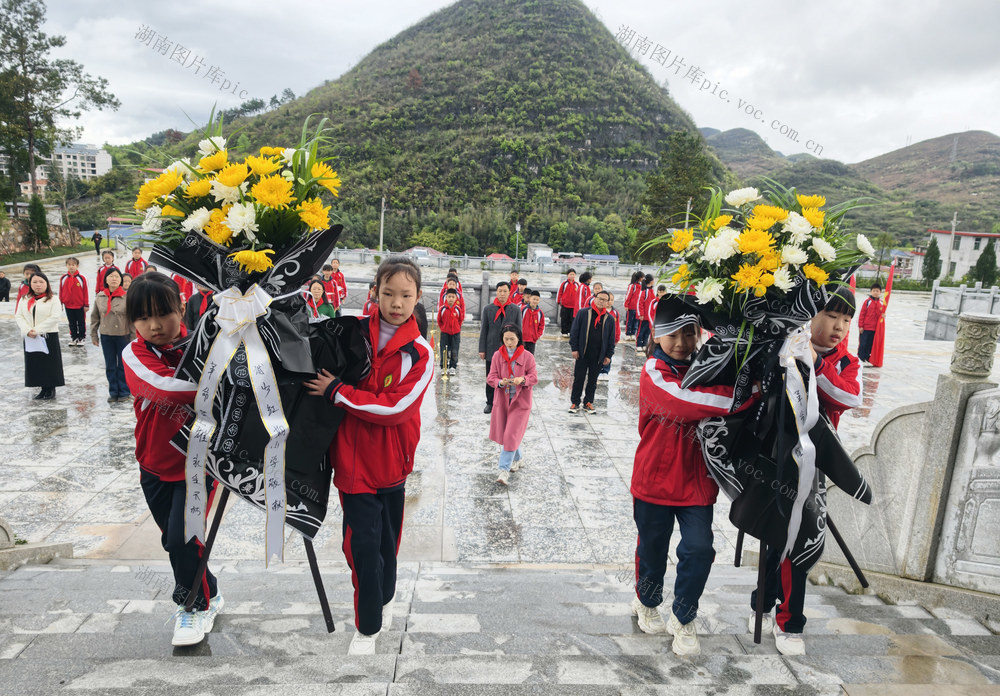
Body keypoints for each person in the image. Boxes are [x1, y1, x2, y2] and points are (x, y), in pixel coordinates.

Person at [304, 256, 434, 656]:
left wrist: (339, 393)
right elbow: (307, 343)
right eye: (389, 293)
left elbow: (395, 408)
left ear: (418, 297)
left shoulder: (420, 353)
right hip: (351, 463)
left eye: (406, 295)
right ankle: (368, 628)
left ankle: (385, 596)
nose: (396, 303)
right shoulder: (353, 332)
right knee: (360, 545)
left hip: (392, 463)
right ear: (374, 291)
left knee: (386, 543)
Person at [630, 296, 755, 656]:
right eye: (674, 335)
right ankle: (646, 600)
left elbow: (731, 346)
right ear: (657, 334)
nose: (682, 343)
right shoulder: (653, 372)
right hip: (654, 480)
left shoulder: (709, 367)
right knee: (652, 550)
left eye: (690, 333)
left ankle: (684, 618)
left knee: (699, 549)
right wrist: (742, 398)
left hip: (697, 483)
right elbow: (684, 402)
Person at [749, 286, 862, 656]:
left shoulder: (847, 362)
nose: (839, 326)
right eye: (831, 316)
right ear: (810, 314)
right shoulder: (782, 349)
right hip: (774, 460)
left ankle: (790, 622)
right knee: (775, 536)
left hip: (813, 467)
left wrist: (814, 364)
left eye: (847, 320)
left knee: (802, 541)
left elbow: (849, 396)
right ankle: (763, 601)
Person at [122, 272, 223, 647]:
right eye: (143, 317)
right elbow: (163, 385)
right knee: (175, 540)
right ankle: (209, 590)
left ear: (182, 307)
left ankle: (192, 607)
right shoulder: (134, 354)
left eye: (163, 313)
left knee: (184, 538)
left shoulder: (204, 347)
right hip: (153, 465)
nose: (154, 325)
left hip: (198, 463)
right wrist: (214, 386)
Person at [487, 324, 538, 485]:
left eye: (512, 339)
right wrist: (501, 382)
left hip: (520, 402)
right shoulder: (497, 355)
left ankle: (503, 471)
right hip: (502, 400)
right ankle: (519, 458)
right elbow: (491, 377)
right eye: (506, 339)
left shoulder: (527, 356)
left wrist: (522, 380)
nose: (509, 342)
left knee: (510, 435)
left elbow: (534, 377)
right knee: (506, 435)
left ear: (518, 339)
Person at [15, 271, 65, 400]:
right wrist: (27, 330)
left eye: (41, 282)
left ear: (47, 284)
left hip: (47, 335)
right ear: (30, 284)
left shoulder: (53, 299)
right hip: (30, 336)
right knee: (35, 362)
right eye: (35, 282)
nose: (38, 285)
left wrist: (37, 330)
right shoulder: (25, 299)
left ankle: (50, 388)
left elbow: (55, 317)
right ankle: (42, 388)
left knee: (49, 363)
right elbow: (19, 316)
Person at [568, 290, 615, 414]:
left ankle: (588, 402)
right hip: (583, 353)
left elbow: (611, 339)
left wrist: (608, 355)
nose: (601, 301)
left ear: (608, 303)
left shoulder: (610, 319)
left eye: (605, 300)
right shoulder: (583, 313)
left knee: (593, 380)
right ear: (594, 298)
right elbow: (574, 332)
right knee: (579, 378)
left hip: (598, 355)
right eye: (600, 298)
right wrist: (574, 348)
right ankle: (575, 402)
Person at [91, 268, 133, 402]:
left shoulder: (127, 296)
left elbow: (133, 319)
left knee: (122, 365)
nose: (114, 279)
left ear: (121, 280)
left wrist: (134, 338)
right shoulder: (100, 296)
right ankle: (113, 392)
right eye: (111, 276)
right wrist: (93, 335)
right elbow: (95, 317)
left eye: (117, 276)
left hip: (123, 335)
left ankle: (124, 392)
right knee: (110, 365)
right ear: (106, 280)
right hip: (106, 335)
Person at [478, 281, 521, 414]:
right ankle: (490, 402)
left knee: (508, 376)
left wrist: (519, 349)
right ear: (496, 292)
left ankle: (507, 401)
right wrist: (482, 349)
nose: (502, 293)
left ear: (509, 293)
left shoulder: (516, 309)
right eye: (500, 291)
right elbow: (484, 330)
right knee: (491, 376)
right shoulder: (488, 309)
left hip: (510, 349)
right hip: (492, 348)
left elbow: (519, 331)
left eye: (505, 291)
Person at [60, 257, 90, 347]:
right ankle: (74, 337)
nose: (71, 267)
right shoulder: (63, 278)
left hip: (80, 305)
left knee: (81, 322)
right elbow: (61, 290)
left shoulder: (82, 278)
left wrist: (86, 304)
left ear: (77, 266)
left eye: (73, 265)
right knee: (71, 322)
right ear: (66, 266)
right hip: (68, 305)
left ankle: (81, 337)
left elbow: (85, 291)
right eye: (69, 265)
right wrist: (61, 302)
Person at [437, 288, 463, 374]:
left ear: (456, 298)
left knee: (454, 350)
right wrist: (443, 328)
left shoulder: (458, 309)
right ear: (446, 298)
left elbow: (460, 320)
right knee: (443, 350)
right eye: (449, 297)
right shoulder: (442, 309)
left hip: (455, 333)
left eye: (453, 297)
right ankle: (443, 366)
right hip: (445, 333)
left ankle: (453, 366)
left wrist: (457, 328)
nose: (451, 299)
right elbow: (439, 321)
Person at [856, 283, 883, 365]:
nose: (875, 292)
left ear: (880, 292)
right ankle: (860, 357)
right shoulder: (867, 302)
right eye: (874, 291)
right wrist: (860, 326)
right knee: (863, 343)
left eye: (877, 291)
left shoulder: (881, 303)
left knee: (870, 345)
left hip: (875, 329)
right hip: (865, 328)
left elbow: (880, 315)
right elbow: (862, 314)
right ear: (871, 292)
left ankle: (867, 357)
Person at [599, 292, 622, 380]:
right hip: (601, 337)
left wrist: (617, 337)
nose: (609, 302)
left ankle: (605, 370)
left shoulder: (615, 313)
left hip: (611, 338)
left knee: (608, 354)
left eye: (612, 300)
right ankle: (598, 370)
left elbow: (617, 326)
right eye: (608, 300)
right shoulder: (601, 311)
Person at [635, 274, 655, 353]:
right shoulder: (644, 291)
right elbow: (639, 303)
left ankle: (644, 344)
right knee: (641, 330)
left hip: (649, 316)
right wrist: (641, 314)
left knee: (647, 331)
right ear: (650, 281)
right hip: (643, 316)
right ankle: (639, 345)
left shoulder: (651, 290)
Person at [556, 269, 578, 336]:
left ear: (575, 275)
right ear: (567, 275)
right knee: (564, 319)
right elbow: (559, 292)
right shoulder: (564, 284)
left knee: (572, 319)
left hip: (573, 306)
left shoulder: (577, 284)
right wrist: (558, 301)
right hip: (565, 305)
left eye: (573, 274)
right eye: (570, 274)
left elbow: (578, 295)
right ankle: (564, 332)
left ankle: (570, 331)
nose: (572, 276)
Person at [624, 271, 643, 338]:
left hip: (637, 308)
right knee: (629, 321)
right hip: (631, 307)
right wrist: (626, 305)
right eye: (642, 277)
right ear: (640, 278)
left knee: (635, 322)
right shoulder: (632, 286)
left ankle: (633, 334)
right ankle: (628, 334)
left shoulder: (641, 286)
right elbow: (628, 296)